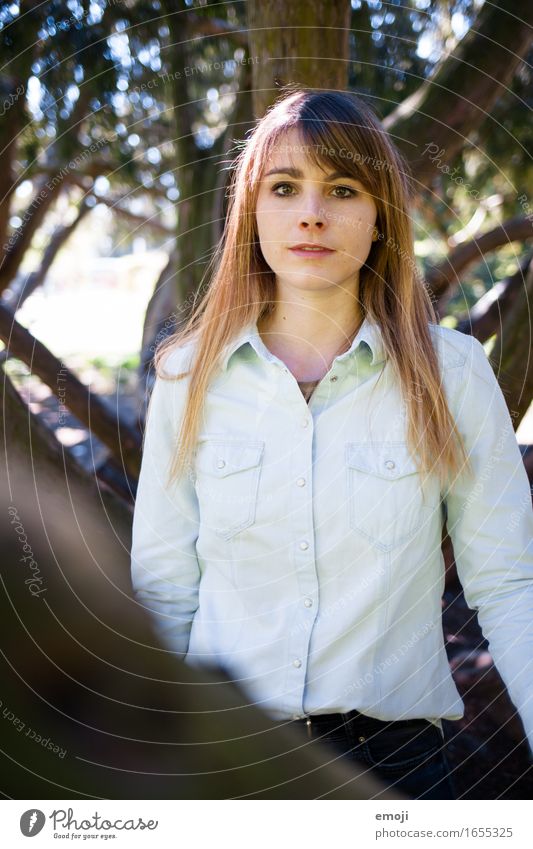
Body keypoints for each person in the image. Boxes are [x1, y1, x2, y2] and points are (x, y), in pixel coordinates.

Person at [130, 87, 533, 800]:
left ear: (378, 216)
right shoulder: (188, 377)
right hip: (228, 759)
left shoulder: (453, 375)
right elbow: (164, 591)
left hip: (398, 767)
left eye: (341, 188)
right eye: (284, 187)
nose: (311, 212)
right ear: (252, 211)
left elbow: (509, 585)